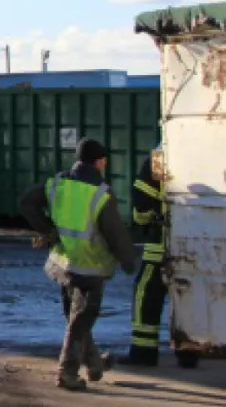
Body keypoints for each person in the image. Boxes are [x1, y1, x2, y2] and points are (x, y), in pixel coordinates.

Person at [18, 138, 138, 391]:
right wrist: (128, 261)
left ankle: (93, 362)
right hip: (89, 265)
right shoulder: (99, 195)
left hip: (63, 262)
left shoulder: (57, 184)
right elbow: (115, 233)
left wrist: (48, 230)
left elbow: (26, 202)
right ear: (100, 161)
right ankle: (67, 371)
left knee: (74, 316)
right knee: (82, 319)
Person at [119, 147, 167, 366]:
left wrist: (146, 220)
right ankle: (191, 351)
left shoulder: (161, 157)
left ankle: (143, 352)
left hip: (163, 244)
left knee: (146, 292)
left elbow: (142, 206)